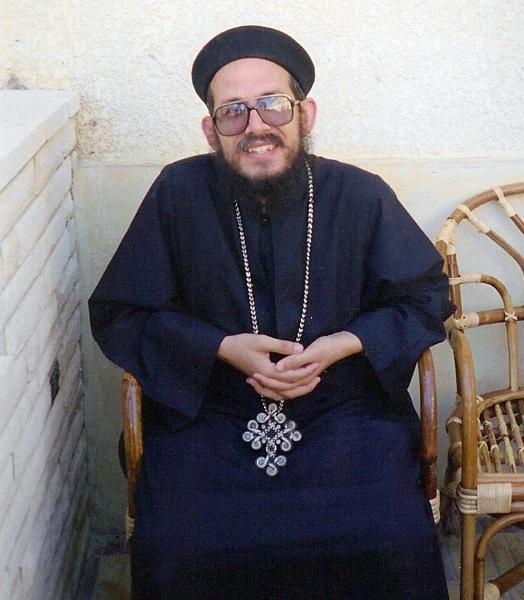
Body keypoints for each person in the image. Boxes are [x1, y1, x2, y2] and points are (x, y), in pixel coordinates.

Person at [89, 25, 454, 600]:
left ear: (305, 114)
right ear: (211, 130)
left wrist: (344, 344)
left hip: (343, 408)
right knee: (181, 545)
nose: (255, 125)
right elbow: (121, 311)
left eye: (272, 104)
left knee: (389, 537)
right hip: (209, 411)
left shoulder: (359, 194)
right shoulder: (178, 193)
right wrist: (219, 347)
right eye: (233, 111)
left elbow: (427, 298)